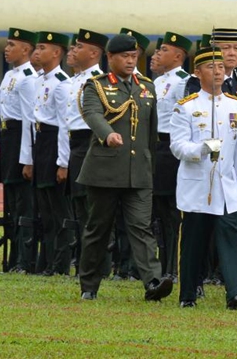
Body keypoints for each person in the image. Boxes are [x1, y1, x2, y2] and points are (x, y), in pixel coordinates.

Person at [77, 33, 173, 302]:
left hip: (139, 170)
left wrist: (149, 165)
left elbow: (151, 130)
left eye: (134, 57)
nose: (131, 61)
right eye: (125, 57)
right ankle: (89, 284)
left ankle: (153, 282)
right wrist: (107, 134)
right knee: (98, 229)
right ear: (110, 57)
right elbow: (92, 114)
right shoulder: (96, 86)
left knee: (142, 227)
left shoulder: (146, 86)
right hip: (105, 170)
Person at [171, 47, 237, 310]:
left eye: (221, 67)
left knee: (229, 236)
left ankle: (236, 294)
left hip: (226, 186)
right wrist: (200, 149)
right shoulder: (186, 107)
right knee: (194, 241)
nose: (219, 72)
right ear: (198, 73)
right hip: (197, 186)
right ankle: (188, 293)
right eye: (211, 67)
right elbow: (177, 146)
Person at [21, 32, 71, 275]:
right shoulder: (39, 80)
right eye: (37, 47)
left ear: (57, 53)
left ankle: (60, 263)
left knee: (57, 208)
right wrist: (29, 159)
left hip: (53, 142)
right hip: (40, 142)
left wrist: (63, 162)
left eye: (42, 48)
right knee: (45, 209)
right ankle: (46, 261)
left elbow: (64, 124)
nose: (36, 52)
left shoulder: (62, 83)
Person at [61, 29, 107, 275]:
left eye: (79, 47)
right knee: (79, 204)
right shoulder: (74, 81)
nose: (73, 50)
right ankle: (82, 261)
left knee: (92, 207)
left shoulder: (99, 81)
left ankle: (98, 264)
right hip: (75, 144)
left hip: (90, 142)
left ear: (93, 53)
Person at [150, 33, 192, 282]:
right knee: (158, 210)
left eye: (163, 50)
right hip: (155, 148)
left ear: (178, 56)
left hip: (171, 149)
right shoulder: (157, 82)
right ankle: (162, 263)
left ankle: (173, 267)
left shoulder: (183, 82)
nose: (157, 54)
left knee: (172, 212)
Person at [0, 28, 38, 273]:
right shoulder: (9, 76)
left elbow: (28, 121)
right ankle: (13, 258)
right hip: (7, 138)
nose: (6, 49)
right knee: (11, 202)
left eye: (12, 45)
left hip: (19, 140)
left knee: (24, 203)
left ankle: (25, 260)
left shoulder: (28, 78)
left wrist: (27, 159)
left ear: (26, 49)